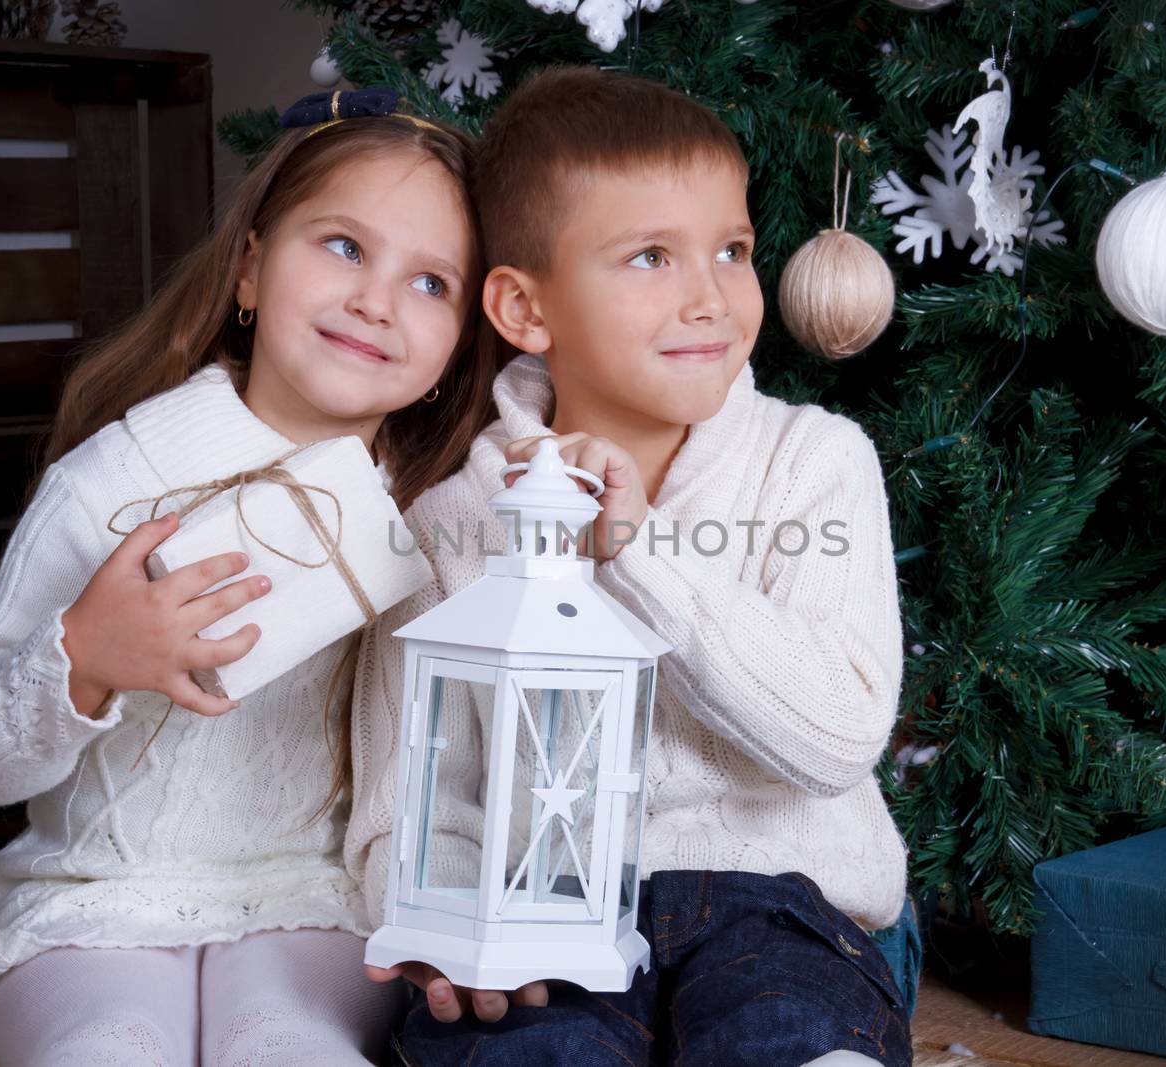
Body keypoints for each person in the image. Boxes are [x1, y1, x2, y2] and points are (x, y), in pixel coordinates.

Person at [0, 89, 499, 1066]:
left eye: (431, 282)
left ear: (456, 350)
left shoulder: (435, 517)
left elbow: (454, 759)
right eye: (344, 246)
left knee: (283, 1042)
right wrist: (84, 661)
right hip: (93, 896)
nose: (375, 300)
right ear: (250, 267)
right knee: (107, 1043)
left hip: (312, 899)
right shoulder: (120, 475)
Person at [345, 67, 910, 1066]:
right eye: (651, 255)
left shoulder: (814, 463)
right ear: (524, 308)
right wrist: (447, 944)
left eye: (731, 250)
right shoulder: (451, 523)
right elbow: (409, 798)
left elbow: (836, 737)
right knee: (525, 1046)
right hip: (537, 914)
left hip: (781, 904)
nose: (711, 296)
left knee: (788, 1027)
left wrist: (641, 557)